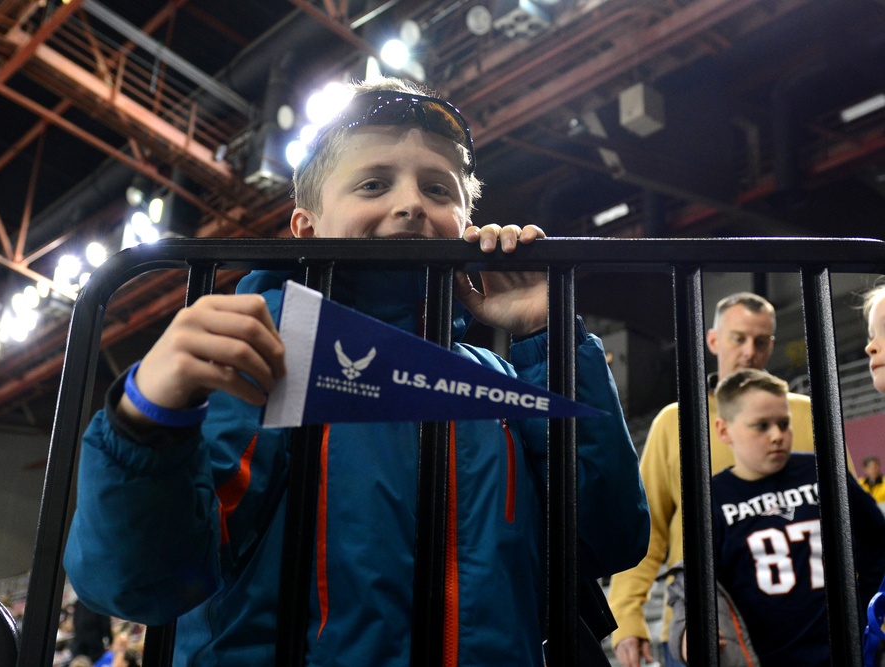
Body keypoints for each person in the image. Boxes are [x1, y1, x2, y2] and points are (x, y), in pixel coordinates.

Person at [64, 76, 650, 666]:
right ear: (305, 228)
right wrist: (146, 423)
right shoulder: (267, 348)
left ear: (467, 220)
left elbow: (607, 538)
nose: (410, 203)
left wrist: (545, 336)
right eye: (374, 183)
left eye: (438, 189)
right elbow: (143, 580)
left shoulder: (501, 378)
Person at [608, 292, 817, 667]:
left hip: (805, 622)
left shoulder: (807, 414)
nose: (750, 351)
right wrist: (626, 616)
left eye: (761, 340)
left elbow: (848, 519)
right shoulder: (676, 422)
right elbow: (646, 528)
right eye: (739, 338)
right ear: (714, 340)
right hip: (703, 628)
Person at [668, 369, 885, 665]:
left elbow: (878, 543)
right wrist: (686, 633)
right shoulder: (710, 498)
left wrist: (866, 610)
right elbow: (693, 588)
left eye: (784, 424)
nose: (777, 436)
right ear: (723, 430)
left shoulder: (823, 470)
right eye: (761, 426)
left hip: (848, 653)